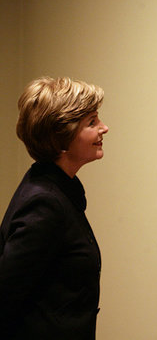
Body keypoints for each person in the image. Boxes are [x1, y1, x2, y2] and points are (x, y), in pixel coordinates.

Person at [0, 77, 108, 339]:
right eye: (92, 122)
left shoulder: (58, 190)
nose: (104, 128)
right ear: (62, 136)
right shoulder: (44, 203)